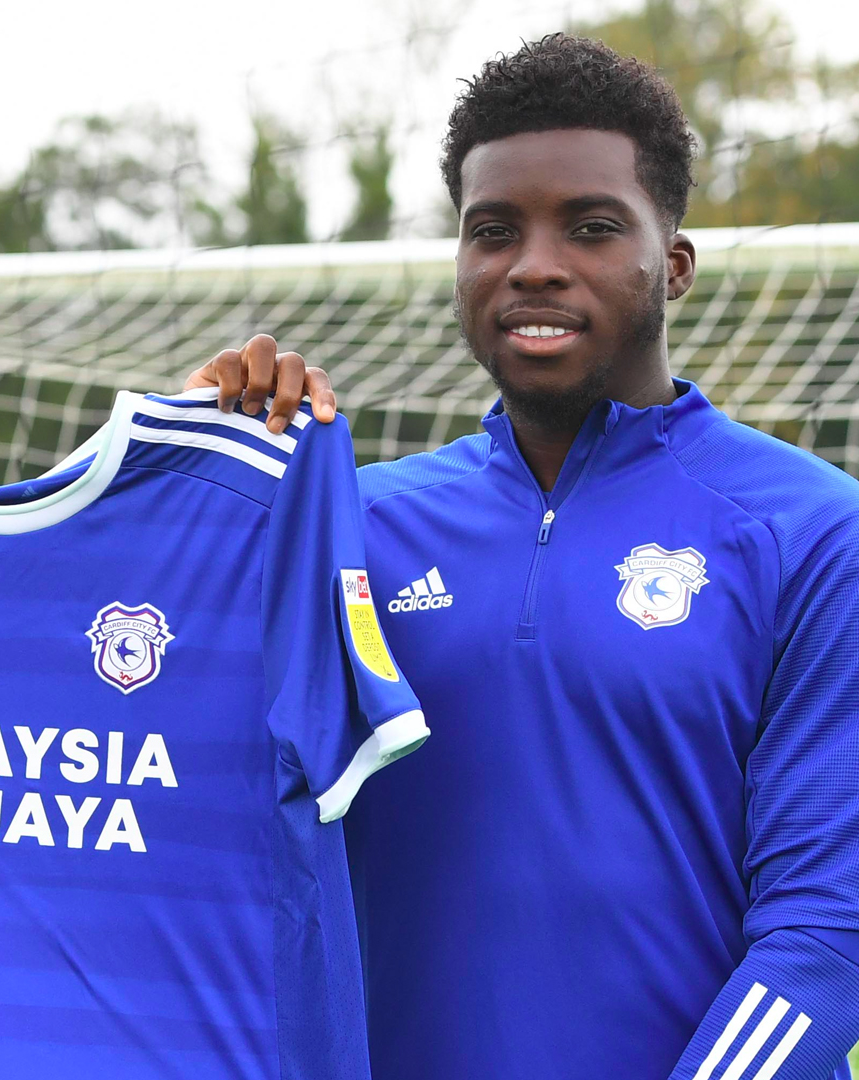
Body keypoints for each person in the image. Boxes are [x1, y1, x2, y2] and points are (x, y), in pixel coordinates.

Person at [187, 34, 859, 1080]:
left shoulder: (810, 529)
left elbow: (827, 930)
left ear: (671, 266)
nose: (533, 263)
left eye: (591, 228)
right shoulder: (350, 525)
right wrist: (199, 485)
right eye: (492, 230)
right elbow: (181, 819)